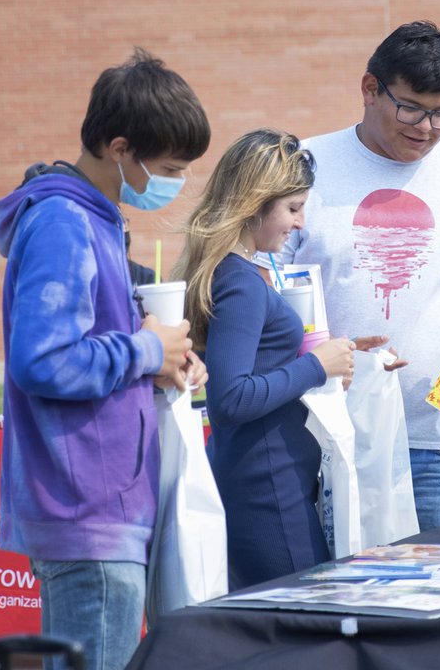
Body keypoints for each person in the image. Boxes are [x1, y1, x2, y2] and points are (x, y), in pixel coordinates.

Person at [0, 48, 211, 670]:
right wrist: (147, 349)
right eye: (168, 167)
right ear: (120, 148)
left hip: (104, 504)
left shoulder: (94, 219)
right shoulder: (64, 222)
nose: (176, 182)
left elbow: (95, 345)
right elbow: (44, 359)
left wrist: (165, 361)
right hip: (87, 508)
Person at [281, 21, 440, 532]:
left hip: (436, 441)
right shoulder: (303, 168)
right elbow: (262, 286)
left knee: (436, 591)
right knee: (333, 594)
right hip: (322, 434)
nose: (427, 127)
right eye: (412, 108)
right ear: (370, 89)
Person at [173, 128, 355, 589]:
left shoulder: (241, 271)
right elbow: (230, 398)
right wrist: (317, 367)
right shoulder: (240, 282)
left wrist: (331, 361)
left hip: (272, 477)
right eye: (293, 209)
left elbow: (259, 365)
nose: (300, 224)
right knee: (303, 623)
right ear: (255, 204)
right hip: (266, 486)